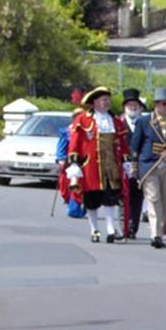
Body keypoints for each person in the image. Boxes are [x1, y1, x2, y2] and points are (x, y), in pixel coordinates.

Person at [65, 87, 131, 243]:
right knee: (91, 200)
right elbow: (75, 143)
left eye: (108, 99)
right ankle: (94, 229)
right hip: (91, 167)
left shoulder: (115, 121)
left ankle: (110, 228)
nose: (107, 102)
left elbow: (122, 143)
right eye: (103, 99)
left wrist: (126, 161)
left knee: (110, 198)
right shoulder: (83, 120)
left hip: (111, 165)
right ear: (94, 102)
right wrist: (74, 163)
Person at [129, 88, 166, 249]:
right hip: (149, 165)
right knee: (154, 199)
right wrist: (134, 166)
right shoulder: (144, 122)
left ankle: (159, 231)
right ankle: (156, 235)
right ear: (156, 105)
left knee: (165, 200)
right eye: (163, 103)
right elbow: (135, 146)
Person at [121, 88, 147, 239]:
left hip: (140, 166)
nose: (133, 107)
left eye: (135, 104)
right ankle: (123, 226)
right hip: (123, 165)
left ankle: (132, 227)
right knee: (122, 198)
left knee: (137, 198)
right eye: (130, 104)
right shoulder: (118, 123)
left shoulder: (145, 122)